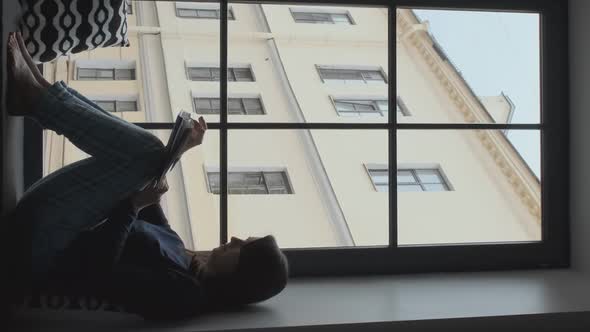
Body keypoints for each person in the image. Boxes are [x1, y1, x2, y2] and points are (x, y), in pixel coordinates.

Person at [4, 31, 289, 321]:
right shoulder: (183, 254)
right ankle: (38, 92)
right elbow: (149, 193)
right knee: (153, 156)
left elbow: (100, 271)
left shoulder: (186, 295)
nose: (235, 238)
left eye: (244, 246)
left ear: (243, 273)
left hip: (37, 252)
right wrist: (177, 152)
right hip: (49, 231)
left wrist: (132, 207)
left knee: (149, 155)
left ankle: (35, 99)